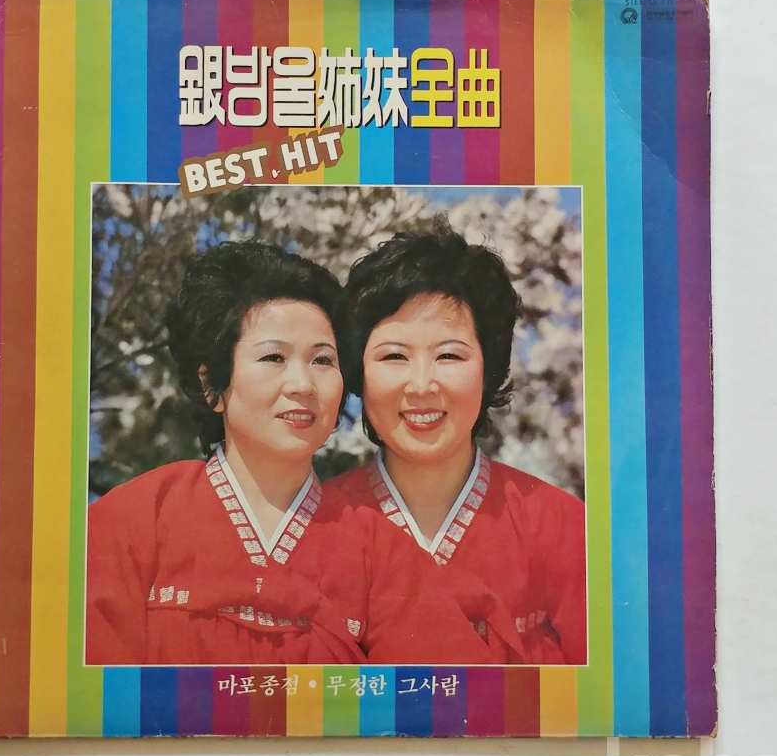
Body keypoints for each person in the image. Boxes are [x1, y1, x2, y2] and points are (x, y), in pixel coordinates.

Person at [86, 239, 501, 666]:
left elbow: (453, 691)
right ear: (212, 386)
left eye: (322, 361)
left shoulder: (382, 551)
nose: (303, 385)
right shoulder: (136, 519)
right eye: (273, 357)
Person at [329, 219, 587, 665]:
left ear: (488, 368)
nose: (421, 385)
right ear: (359, 371)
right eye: (394, 356)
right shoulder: (318, 526)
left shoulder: (560, 527)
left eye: (449, 355)